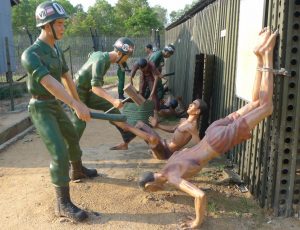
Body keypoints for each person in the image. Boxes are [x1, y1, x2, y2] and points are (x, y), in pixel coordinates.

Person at [139, 28, 278, 229]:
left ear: (152, 186)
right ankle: (259, 56)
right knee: (256, 102)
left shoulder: (173, 176)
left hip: (216, 141)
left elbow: (200, 195)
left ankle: (266, 54)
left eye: (151, 191)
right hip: (212, 131)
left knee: (266, 106)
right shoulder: (169, 163)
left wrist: (197, 221)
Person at [21, 1, 97, 222]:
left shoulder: (55, 49)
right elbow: (49, 84)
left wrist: (77, 100)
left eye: (63, 23)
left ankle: (78, 171)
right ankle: (62, 204)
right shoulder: (31, 54)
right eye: (60, 24)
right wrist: (76, 105)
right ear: (46, 26)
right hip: (40, 107)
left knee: (73, 136)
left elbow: (66, 77)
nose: (64, 28)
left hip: (55, 104)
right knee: (59, 152)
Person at [136, 99, 207, 160]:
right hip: (163, 142)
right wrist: (157, 125)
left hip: (166, 152)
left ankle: (126, 143)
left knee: (140, 125)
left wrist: (187, 152)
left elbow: (200, 146)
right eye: (191, 103)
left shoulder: (192, 127)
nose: (190, 105)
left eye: (194, 104)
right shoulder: (183, 120)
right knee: (140, 124)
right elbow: (173, 129)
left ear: (197, 111)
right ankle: (154, 150)